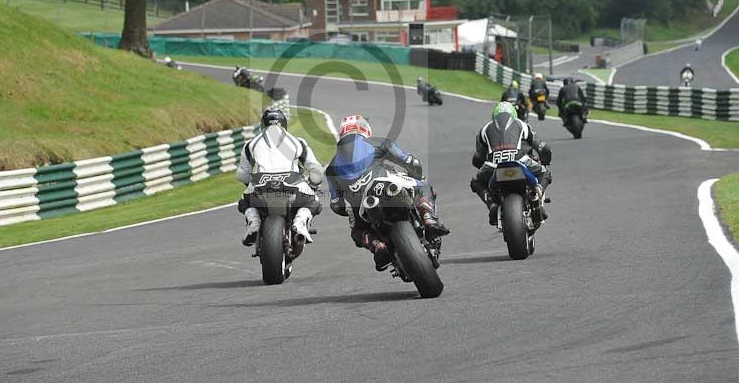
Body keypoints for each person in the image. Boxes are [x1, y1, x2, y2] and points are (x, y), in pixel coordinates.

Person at [325, 115, 449, 271]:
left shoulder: (331, 167)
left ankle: (377, 245)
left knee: (357, 232)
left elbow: (336, 204)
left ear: (342, 133)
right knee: (424, 186)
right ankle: (429, 218)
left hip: (361, 204)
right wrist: (415, 174)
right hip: (387, 185)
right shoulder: (379, 142)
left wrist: (350, 201)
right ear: (366, 130)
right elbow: (410, 162)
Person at [236, 109, 323, 246]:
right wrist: (313, 186)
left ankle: (254, 223)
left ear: (262, 125)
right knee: (314, 201)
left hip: (261, 184)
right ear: (284, 124)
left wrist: (250, 185)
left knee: (244, 202)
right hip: (292, 183)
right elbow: (316, 170)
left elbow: (242, 174)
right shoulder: (297, 141)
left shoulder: (251, 144)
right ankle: (300, 222)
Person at [469, 102, 552, 226]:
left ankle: (492, 203)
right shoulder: (522, 124)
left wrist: (482, 165)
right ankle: (537, 194)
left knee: (476, 181)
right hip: (520, 161)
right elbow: (542, 147)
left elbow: (478, 157)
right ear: (514, 114)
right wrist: (545, 160)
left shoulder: (484, 130)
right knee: (545, 174)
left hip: (494, 166)